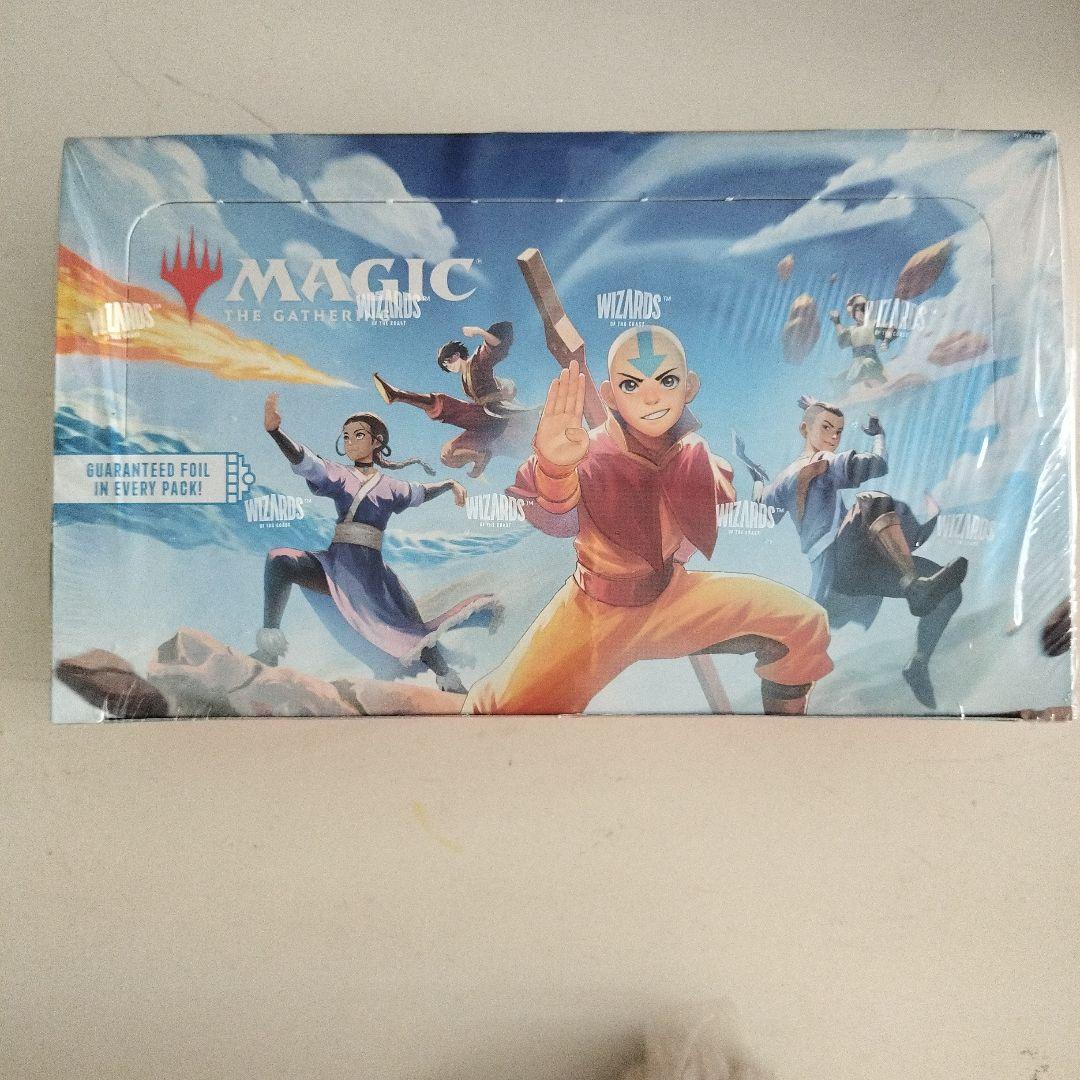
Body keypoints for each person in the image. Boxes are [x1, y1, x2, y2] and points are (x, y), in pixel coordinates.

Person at [463, 327, 834, 716]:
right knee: (492, 710)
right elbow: (555, 517)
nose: (651, 396)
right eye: (631, 385)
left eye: (666, 380)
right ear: (610, 396)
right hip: (593, 614)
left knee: (804, 625)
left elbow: (707, 507)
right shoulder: (585, 452)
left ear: (689, 387)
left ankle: (784, 740)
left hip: (671, 598)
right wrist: (555, 468)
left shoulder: (695, 452)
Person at [253, 392, 500, 693]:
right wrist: (276, 433)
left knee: (408, 632)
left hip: (372, 576)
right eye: (346, 437)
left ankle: (448, 679)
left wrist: (450, 483)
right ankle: (269, 649)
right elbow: (307, 463)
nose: (350, 442)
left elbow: (421, 492)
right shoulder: (339, 475)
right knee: (280, 560)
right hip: (335, 564)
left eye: (358, 435)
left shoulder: (392, 487)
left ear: (377, 442)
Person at [740, 396, 967, 708]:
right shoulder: (822, 462)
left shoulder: (781, 482)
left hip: (854, 572)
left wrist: (756, 477)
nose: (834, 437)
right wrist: (879, 435)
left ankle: (918, 664)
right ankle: (913, 587)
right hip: (840, 562)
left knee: (949, 590)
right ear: (805, 429)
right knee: (871, 500)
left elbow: (762, 507)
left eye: (839, 431)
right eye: (826, 428)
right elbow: (878, 465)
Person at [372, 321, 536, 478]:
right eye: (446, 367)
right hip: (486, 427)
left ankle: (397, 395)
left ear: (456, 355)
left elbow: (496, 345)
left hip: (495, 415)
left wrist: (479, 331)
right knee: (448, 455)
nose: (449, 368)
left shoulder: (477, 361)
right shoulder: (464, 380)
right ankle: (481, 457)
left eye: (448, 363)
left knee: (445, 404)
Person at [829, 293, 895, 393]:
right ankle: (842, 394)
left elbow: (890, 328)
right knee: (842, 377)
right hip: (857, 364)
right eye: (859, 309)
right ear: (852, 313)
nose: (863, 312)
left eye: (865, 308)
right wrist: (837, 322)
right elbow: (842, 342)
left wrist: (886, 340)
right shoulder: (851, 330)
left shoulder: (872, 324)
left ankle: (880, 385)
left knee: (865, 365)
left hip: (871, 361)